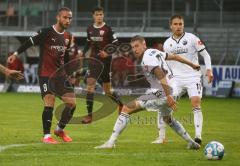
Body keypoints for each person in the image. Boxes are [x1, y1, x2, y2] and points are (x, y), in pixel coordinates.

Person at [95, 35, 201, 149]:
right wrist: (192, 65)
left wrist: (168, 96)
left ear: (144, 44)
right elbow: (175, 57)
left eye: (137, 46)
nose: (135, 49)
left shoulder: (147, 57)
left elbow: (159, 73)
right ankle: (191, 142)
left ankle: (110, 143)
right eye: (133, 47)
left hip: (163, 93)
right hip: (171, 90)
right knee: (167, 119)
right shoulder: (155, 52)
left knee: (126, 108)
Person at [7, 7, 77, 144]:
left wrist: (69, 73)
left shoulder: (68, 36)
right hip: (46, 73)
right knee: (49, 102)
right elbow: (29, 42)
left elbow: (66, 56)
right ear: (58, 17)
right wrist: (15, 55)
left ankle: (59, 130)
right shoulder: (46, 32)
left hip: (61, 76)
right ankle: (46, 136)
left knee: (72, 104)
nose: (67, 20)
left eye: (69, 18)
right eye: (65, 17)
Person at [152, 15, 213, 145]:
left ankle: (198, 137)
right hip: (176, 79)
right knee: (164, 102)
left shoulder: (192, 38)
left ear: (183, 25)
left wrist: (209, 70)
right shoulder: (167, 44)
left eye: (180, 24)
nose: (178, 26)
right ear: (171, 26)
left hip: (193, 77)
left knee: (196, 103)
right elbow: (166, 63)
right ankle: (161, 137)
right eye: (175, 24)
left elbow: (205, 55)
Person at [81, 7, 123, 124]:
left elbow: (116, 44)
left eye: (101, 14)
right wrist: (83, 53)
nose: (99, 16)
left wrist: (107, 52)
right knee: (90, 87)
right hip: (94, 61)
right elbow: (88, 43)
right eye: (97, 15)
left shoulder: (108, 29)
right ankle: (89, 116)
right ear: (93, 16)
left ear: (103, 15)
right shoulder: (89, 29)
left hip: (106, 62)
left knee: (108, 91)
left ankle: (121, 104)